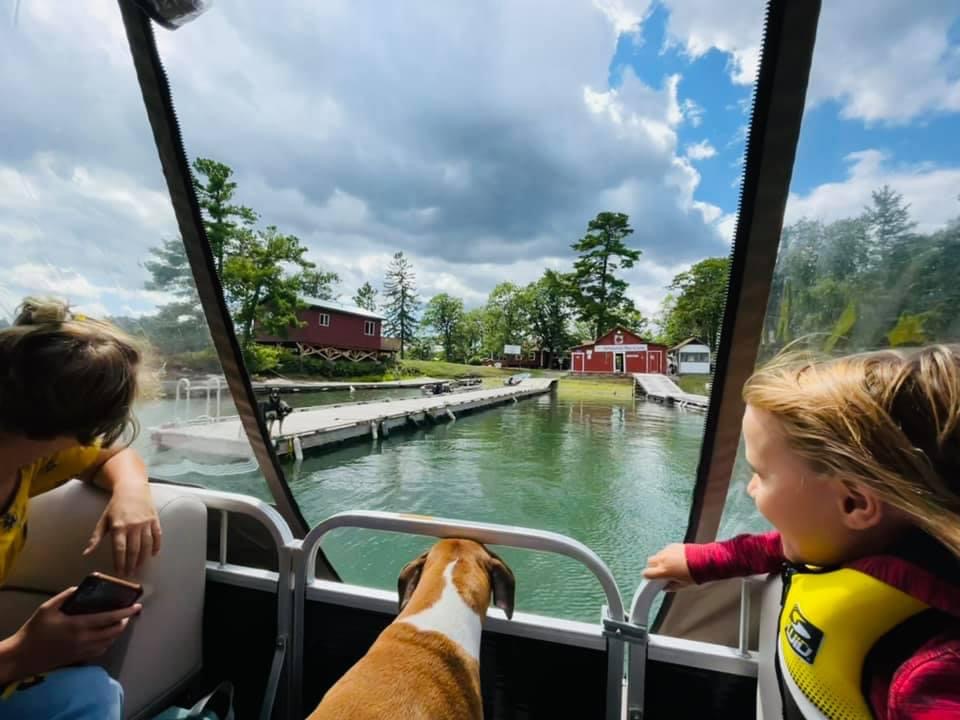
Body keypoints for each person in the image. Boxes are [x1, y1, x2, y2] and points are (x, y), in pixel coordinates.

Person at [644, 345, 960, 719]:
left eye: (760, 475)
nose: (750, 488)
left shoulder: (935, 678)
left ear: (855, 503)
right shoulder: (895, 543)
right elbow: (788, 546)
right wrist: (706, 560)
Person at [0, 298, 162, 719]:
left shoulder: (27, 460)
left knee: (91, 691)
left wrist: (132, 491)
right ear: (87, 423)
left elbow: (112, 457)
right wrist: (20, 653)